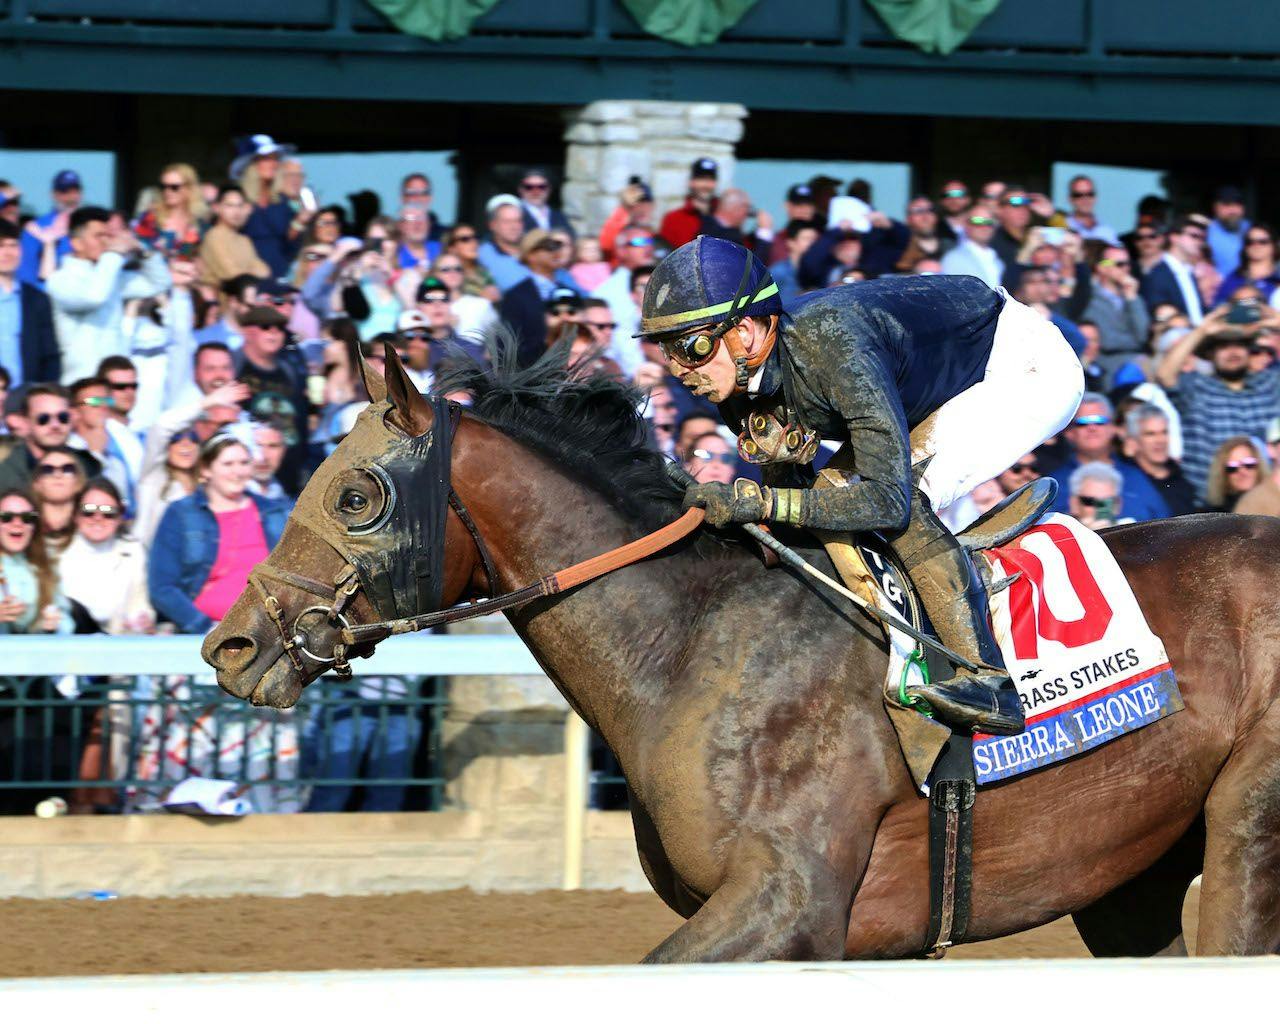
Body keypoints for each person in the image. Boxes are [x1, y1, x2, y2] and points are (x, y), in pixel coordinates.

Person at [640, 236, 1085, 735]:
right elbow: (794, 497)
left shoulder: (834, 343)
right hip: (938, 373)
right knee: (826, 499)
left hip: (1021, 366)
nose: (680, 371)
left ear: (744, 331)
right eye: (668, 351)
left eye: (691, 347)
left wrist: (760, 502)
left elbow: (886, 501)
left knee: (901, 500)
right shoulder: (734, 380)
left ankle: (988, 680)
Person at [148, 434, 290, 634]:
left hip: (266, 633)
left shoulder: (276, 512)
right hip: (202, 633)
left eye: (243, 463)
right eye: (228, 464)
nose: (237, 471)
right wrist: (205, 627)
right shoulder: (181, 513)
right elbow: (162, 588)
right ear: (206, 470)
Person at [1155, 306, 1280, 498]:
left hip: (1267, 500)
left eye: (1239, 345)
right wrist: (1202, 329)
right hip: (1211, 507)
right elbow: (1164, 375)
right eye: (1223, 346)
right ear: (1211, 355)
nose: (1232, 352)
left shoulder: (1270, 384)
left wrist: (1276, 322)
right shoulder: (1197, 387)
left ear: (1249, 351)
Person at [47, 206, 171, 384]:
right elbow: (95, 297)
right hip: (83, 390)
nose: (106, 242)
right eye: (98, 236)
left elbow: (159, 283)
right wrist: (114, 255)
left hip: (115, 385)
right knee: (95, 407)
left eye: (108, 236)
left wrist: (143, 251)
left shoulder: (110, 274)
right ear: (76, 243)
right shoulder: (60, 280)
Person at [1047, 393, 1170, 522]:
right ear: (1069, 432)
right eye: (1082, 423)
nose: (1092, 428)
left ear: (1113, 428)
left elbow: (1165, 527)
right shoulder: (1054, 485)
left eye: (1100, 421)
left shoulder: (1138, 477)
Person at [59, 477, 154, 634]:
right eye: (88, 511)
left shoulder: (134, 551)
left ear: (120, 516)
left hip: (117, 645)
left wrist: (143, 619)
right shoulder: (56, 553)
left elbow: (140, 603)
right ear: (76, 514)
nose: (98, 518)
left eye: (108, 512)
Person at [0, 384, 98, 494]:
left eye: (63, 418)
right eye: (43, 419)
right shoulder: (5, 472)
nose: (55, 425)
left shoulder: (88, 467)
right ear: (26, 423)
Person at [0, 220, 61, 388]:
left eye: (13, 245)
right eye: (1, 246)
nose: (8, 253)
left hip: (26, 396)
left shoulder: (36, 299)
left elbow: (49, 355)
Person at [234, 134, 304, 278]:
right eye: (266, 159)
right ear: (252, 164)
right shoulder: (238, 200)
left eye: (275, 158)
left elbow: (290, 246)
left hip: (279, 279)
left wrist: (299, 222)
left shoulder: (281, 201)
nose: (273, 164)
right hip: (248, 281)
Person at [1082, 245, 1150, 385]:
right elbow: (1108, 341)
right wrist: (1136, 342)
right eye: (1119, 264)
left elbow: (1144, 334)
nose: (1125, 269)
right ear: (1102, 267)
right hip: (1109, 363)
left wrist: (1132, 299)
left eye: (1127, 264)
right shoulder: (1089, 299)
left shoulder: (1133, 297)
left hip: (1137, 358)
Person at [1122, 404, 1197, 516]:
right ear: (1134, 442)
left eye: (1164, 432)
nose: (1160, 440)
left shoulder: (1184, 480)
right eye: (1150, 434)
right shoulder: (1125, 483)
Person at [591, 226, 655, 352]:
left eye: (650, 242)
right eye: (639, 243)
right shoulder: (607, 292)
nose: (648, 248)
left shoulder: (661, 281)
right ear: (621, 251)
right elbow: (619, 339)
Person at [18, 169, 82, 288]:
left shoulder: (90, 225)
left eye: (75, 191)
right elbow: (26, 273)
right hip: (49, 296)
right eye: (65, 192)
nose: (71, 198)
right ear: (54, 194)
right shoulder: (36, 228)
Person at [199, 185, 270, 287]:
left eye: (240, 206)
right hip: (221, 300)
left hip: (245, 297)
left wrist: (246, 273)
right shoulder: (214, 236)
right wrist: (250, 271)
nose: (236, 211)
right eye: (229, 206)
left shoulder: (244, 240)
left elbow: (265, 272)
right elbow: (232, 275)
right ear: (217, 208)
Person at [1140, 216, 1207, 324]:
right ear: (1174, 237)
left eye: (1202, 238)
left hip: (1198, 335)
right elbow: (1157, 317)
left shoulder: (1189, 273)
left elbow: (1198, 313)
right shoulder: (1157, 275)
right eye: (1194, 236)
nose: (1199, 242)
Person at [30, 444, 88, 567]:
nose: (57, 475)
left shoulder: (94, 524)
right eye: (48, 470)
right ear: (37, 484)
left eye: (67, 469)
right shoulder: (24, 527)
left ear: (79, 482)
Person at [133, 163, 207, 258]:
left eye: (174, 187)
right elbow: (140, 255)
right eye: (163, 187)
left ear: (189, 188)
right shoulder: (149, 218)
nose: (167, 191)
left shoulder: (200, 223)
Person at [660, 158, 719, 250]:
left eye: (710, 180)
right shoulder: (673, 219)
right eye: (701, 179)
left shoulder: (725, 215)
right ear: (691, 182)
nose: (706, 185)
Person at [1214, 224, 1280, 305]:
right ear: (1245, 247)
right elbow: (1219, 307)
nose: (1256, 246)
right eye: (1250, 242)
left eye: (1263, 242)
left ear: (1274, 246)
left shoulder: (1277, 278)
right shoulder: (1234, 279)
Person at [478, 195, 530, 293]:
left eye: (517, 221)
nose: (514, 226)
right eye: (507, 222)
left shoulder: (534, 252)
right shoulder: (482, 254)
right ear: (492, 225)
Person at [1204, 435, 1268, 513]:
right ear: (1223, 473)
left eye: (1249, 463)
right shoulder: (1214, 515)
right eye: (1232, 467)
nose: (1242, 472)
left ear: (1259, 466)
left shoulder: (1275, 503)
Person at [939, 210, 1003, 288]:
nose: (984, 227)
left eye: (989, 222)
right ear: (966, 225)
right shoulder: (953, 258)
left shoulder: (999, 257)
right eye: (977, 221)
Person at [1068, 462, 1133, 530]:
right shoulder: (1060, 534)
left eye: (1107, 501)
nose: (1100, 508)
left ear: (1117, 504)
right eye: (1090, 501)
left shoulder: (1132, 532)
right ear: (1074, 504)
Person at [441, 223, 497, 300]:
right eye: (465, 239)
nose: (474, 243)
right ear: (452, 248)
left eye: (475, 238)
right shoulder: (445, 274)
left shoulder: (483, 271)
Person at [1063, 175, 1120, 246]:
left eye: (1090, 194)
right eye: (1078, 195)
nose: (1085, 199)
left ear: (1095, 197)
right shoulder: (1061, 229)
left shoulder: (1108, 232)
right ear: (1070, 199)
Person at [1207, 186, 1250, 278]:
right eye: (1227, 205)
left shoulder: (1251, 229)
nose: (1233, 211)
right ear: (1216, 208)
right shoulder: (1205, 233)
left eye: (1237, 205)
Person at [518, 168, 573, 237]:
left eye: (541, 187)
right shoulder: (515, 214)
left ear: (549, 189)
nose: (536, 192)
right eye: (529, 187)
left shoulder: (559, 216)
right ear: (520, 189)